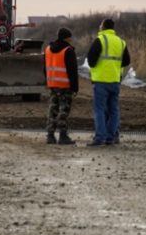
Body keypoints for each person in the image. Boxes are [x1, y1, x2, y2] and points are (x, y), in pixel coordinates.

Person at [85, 18, 130, 147]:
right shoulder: (121, 42)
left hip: (101, 80)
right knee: (114, 110)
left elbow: (91, 59)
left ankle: (99, 137)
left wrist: (98, 67)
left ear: (103, 27)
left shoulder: (100, 40)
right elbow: (126, 61)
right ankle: (110, 138)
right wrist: (114, 67)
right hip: (115, 80)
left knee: (99, 109)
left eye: (100, 25)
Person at [44, 27, 78, 145]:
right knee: (64, 110)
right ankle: (63, 136)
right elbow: (72, 71)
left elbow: (45, 68)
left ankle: (50, 135)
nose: (71, 39)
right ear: (67, 38)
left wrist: (48, 81)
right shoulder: (68, 50)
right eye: (70, 37)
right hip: (64, 86)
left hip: (52, 84)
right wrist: (75, 87)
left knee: (53, 109)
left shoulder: (48, 49)